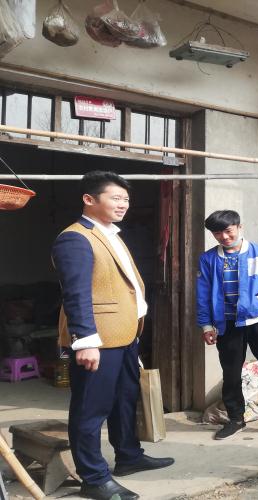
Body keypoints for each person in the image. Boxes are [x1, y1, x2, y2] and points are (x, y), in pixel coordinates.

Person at [52, 171, 174, 500]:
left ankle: (129, 456)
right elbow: (76, 293)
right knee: (91, 409)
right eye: (115, 198)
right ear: (89, 199)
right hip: (98, 340)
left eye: (126, 199)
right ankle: (93, 477)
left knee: (124, 399)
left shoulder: (111, 234)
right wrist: (85, 341)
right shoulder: (75, 238)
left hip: (124, 335)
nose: (123, 204)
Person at [196, 210, 258, 440]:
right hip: (227, 324)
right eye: (217, 233)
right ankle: (236, 419)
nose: (224, 237)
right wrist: (206, 325)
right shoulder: (208, 259)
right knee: (231, 373)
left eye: (228, 231)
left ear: (239, 227)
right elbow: (202, 295)